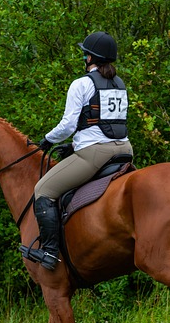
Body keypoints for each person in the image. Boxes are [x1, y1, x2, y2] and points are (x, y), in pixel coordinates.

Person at [22, 31, 133, 271]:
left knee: (43, 189)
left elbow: (68, 125)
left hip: (96, 154)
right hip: (124, 150)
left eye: (86, 54)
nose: (84, 57)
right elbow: (108, 122)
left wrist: (48, 140)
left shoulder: (81, 84)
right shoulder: (120, 84)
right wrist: (74, 145)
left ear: (91, 58)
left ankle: (50, 252)